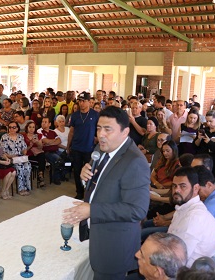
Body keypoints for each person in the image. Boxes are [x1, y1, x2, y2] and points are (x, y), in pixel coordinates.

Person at [63, 106, 150, 279]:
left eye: (108, 129)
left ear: (125, 132)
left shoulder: (134, 162)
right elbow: (98, 184)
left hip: (113, 245)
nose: (101, 134)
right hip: (95, 234)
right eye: (98, 128)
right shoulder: (100, 149)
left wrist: (91, 210)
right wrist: (83, 177)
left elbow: (137, 209)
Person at [167, 167, 215, 267]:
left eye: (183, 186)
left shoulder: (193, 217)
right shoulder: (186, 207)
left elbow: (177, 261)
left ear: (196, 188)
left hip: (185, 271)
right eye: (174, 186)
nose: (176, 190)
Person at [67, 92, 99, 199]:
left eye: (83, 101)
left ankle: (88, 192)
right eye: (80, 101)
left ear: (89, 102)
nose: (81, 103)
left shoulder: (95, 115)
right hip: (76, 147)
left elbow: (99, 129)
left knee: (89, 172)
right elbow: (71, 131)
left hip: (89, 149)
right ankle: (79, 192)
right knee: (77, 171)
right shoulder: (75, 115)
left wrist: (97, 139)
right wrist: (68, 146)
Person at [1, 121, 32, 196]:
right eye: (10, 127)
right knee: (20, 168)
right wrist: (12, 156)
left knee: (28, 166)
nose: (12, 129)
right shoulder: (5, 137)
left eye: (14, 127)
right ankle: (21, 189)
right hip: (11, 158)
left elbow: (24, 148)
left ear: (17, 128)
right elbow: (3, 152)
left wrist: (25, 150)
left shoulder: (20, 136)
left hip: (20, 158)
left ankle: (27, 187)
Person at [37, 117, 63, 185]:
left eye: (45, 122)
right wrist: (54, 141)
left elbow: (59, 141)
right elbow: (45, 141)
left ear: (49, 124)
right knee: (58, 160)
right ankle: (56, 178)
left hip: (56, 150)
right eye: (42, 122)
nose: (43, 123)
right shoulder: (40, 131)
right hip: (47, 152)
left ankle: (61, 175)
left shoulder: (53, 132)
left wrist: (50, 142)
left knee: (68, 158)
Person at [22, 121, 46, 187]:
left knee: (42, 155)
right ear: (27, 128)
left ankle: (40, 175)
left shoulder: (38, 135)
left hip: (37, 153)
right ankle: (40, 178)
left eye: (33, 127)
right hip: (28, 154)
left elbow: (41, 147)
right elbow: (22, 150)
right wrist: (30, 145)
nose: (31, 129)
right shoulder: (23, 136)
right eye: (30, 127)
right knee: (41, 158)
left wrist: (37, 142)